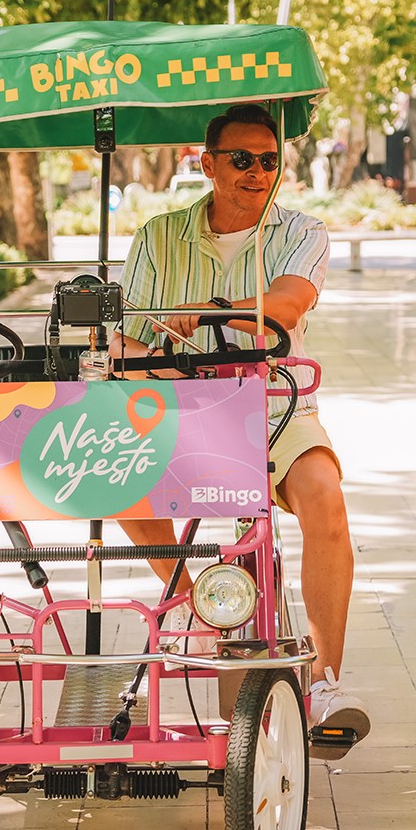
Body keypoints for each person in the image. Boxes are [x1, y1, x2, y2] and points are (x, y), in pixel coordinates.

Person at [113, 104, 369, 753]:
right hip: (179, 407)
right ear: (208, 164)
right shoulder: (158, 236)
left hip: (271, 402)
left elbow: (287, 303)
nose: (259, 173)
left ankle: (325, 680)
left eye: (270, 160)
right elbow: (126, 346)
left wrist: (205, 315)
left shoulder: (301, 231)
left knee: (326, 498)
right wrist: (149, 355)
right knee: (114, 479)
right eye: (243, 159)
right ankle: (198, 601)